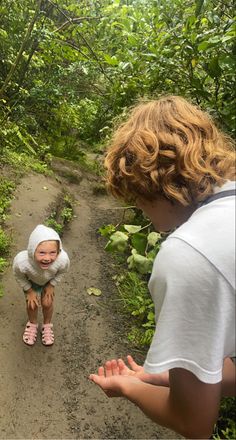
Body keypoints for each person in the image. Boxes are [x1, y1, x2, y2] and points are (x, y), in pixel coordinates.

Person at [89, 95, 236, 439]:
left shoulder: (190, 252)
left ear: (150, 183)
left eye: (136, 197)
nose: (140, 210)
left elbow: (193, 423)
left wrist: (129, 387)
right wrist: (158, 376)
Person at [13, 224, 70, 346]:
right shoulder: (21, 262)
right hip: (31, 283)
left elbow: (62, 272)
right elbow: (18, 275)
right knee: (32, 305)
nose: (47, 258)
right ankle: (32, 323)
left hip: (48, 282)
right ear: (32, 250)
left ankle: (47, 324)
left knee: (47, 303)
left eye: (52, 252)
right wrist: (29, 290)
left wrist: (52, 284)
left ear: (58, 251)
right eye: (42, 253)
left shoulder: (62, 260)